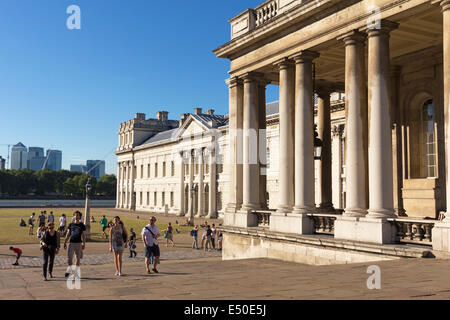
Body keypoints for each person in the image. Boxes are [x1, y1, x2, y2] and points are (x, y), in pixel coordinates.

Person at [64, 211, 86, 277]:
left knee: (78, 258)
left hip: (79, 243)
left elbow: (84, 235)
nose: (76, 216)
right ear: (73, 216)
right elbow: (68, 234)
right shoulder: (71, 225)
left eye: (78, 215)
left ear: (80, 217)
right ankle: (70, 269)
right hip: (71, 243)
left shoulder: (82, 225)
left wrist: (83, 243)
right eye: (75, 215)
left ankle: (76, 273)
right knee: (69, 258)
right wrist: (65, 242)